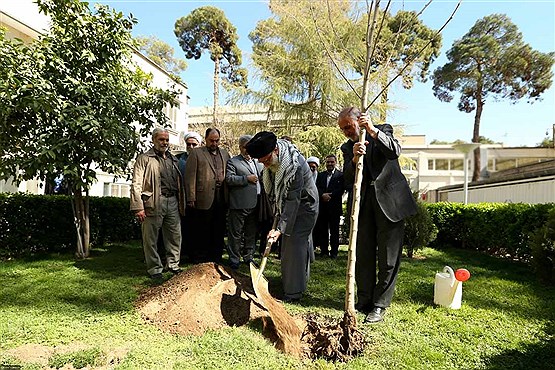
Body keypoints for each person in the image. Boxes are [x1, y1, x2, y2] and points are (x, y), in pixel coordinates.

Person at [338, 106, 417, 323]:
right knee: (363, 256)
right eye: (342, 129)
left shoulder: (382, 130)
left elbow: (394, 151)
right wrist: (354, 159)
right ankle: (364, 300)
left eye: (348, 126)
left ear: (359, 121)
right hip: (363, 206)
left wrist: (372, 130)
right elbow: (346, 178)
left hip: (390, 204)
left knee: (388, 258)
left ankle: (380, 305)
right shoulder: (348, 147)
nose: (346, 131)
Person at [246, 131, 318, 302]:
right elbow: (279, 195)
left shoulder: (294, 166)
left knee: (292, 247)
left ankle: (293, 293)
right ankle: (298, 281)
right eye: (260, 162)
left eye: (265, 160)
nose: (264, 164)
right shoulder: (273, 162)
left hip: (304, 207)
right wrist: (277, 222)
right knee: (296, 245)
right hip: (288, 206)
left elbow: (293, 200)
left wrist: (279, 230)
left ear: (275, 150)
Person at [130, 127, 184, 280]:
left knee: (174, 236)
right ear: (153, 140)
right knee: (151, 238)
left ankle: (173, 265)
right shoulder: (144, 158)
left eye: (166, 140)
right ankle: (154, 269)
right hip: (153, 202)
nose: (164, 142)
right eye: (161, 139)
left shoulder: (173, 159)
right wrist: (138, 207)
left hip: (172, 201)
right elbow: (136, 184)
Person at [185, 128, 230, 263]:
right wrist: (191, 197)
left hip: (221, 197)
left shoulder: (225, 153)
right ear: (206, 139)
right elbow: (190, 177)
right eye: (211, 140)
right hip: (202, 197)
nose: (214, 143)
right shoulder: (196, 153)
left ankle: (215, 259)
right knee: (201, 229)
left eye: (217, 141)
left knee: (218, 229)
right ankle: (199, 259)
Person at [225, 135, 263, 269]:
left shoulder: (258, 162)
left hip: (256, 203)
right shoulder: (233, 162)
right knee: (236, 233)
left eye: (250, 146)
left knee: (251, 232)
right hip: (239, 204)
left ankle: (249, 257)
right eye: (245, 147)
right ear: (240, 147)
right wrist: (246, 178)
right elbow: (229, 179)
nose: (248, 150)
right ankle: (234, 259)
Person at [314, 154, 345, 258]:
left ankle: (334, 252)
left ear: (335, 162)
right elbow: (316, 187)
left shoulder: (340, 175)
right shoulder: (320, 175)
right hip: (322, 207)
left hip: (334, 207)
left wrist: (330, 196)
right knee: (323, 230)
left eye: (332, 162)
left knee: (334, 231)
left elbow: (341, 189)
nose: (330, 164)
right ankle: (324, 251)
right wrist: (322, 195)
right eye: (328, 162)